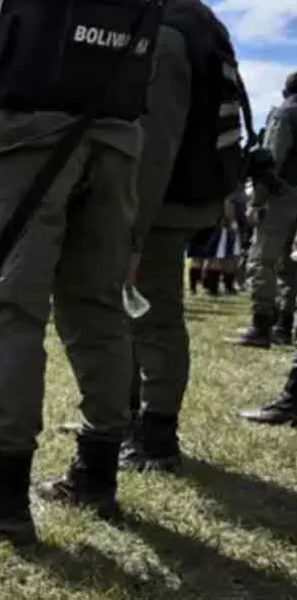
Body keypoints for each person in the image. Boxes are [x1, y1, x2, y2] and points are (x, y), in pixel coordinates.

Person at [0, 0, 159, 543]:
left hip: (34, 130)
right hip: (118, 135)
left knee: (12, 309)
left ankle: (1, 493)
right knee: (99, 307)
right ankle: (97, 471)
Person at [121, 0, 242, 473]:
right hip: (172, 198)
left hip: (158, 202)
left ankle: (155, 435)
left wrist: (131, 230)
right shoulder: (197, 23)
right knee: (139, 316)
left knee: (152, 317)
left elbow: (154, 143)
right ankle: (126, 417)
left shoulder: (167, 33)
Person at [240, 72, 297, 425]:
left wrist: (258, 199)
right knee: (294, 269)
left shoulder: (285, 112)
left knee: (263, 260)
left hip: (284, 194)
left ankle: (261, 326)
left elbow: (271, 157)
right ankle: (284, 325)